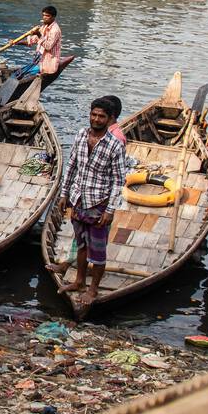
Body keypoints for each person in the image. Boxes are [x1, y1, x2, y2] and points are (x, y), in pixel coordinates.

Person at [54, 97, 128, 309]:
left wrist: (111, 209)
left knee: (98, 250)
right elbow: (71, 166)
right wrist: (64, 193)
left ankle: (93, 288)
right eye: (93, 115)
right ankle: (79, 281)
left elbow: (118, 180)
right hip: (78, 200)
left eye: (101, 116)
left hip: (99, 203)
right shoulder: (80, 136)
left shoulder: (114, 145)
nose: (96, 119)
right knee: (82, 244)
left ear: (109, 119)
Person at [25, 5, 63, 77]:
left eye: (47, 16)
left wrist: (39, 35)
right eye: (43, 15)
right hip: (39, 60)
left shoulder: (55, 30)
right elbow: (33, 40)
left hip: (48, 63)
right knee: (20, 72)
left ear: (53, 17)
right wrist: (15, 42)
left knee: (25, 74)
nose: (44, 18)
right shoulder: (44, 27)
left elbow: (48, 46)